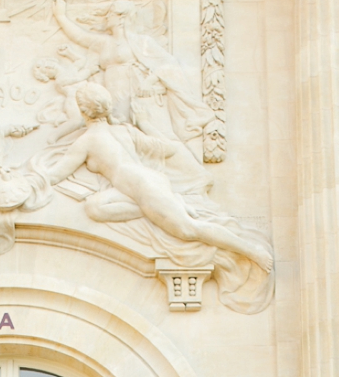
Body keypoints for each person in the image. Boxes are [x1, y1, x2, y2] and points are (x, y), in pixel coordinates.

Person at [40, 83, 274, 274]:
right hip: (140, 185)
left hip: (143, 187)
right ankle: (151, 209)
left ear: (82, 112)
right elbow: (167, 149)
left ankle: (251, 251)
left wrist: (30, 176)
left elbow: (56, 174)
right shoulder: (123, 130)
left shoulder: (87, 140)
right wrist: (144, 123)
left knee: (188, 230)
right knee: (94, 207)